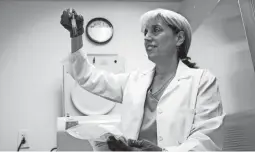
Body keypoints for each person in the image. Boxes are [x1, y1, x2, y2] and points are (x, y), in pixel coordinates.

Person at [60, 8, 226, 151]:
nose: (147, 37)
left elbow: (207, 139)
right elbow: (88, 77)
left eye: (156, 30)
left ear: (179, 38)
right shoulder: (134, 80)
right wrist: (76, 36)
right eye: (145, 32)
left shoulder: (202, 81)